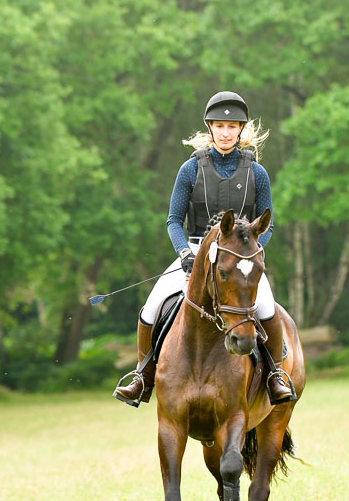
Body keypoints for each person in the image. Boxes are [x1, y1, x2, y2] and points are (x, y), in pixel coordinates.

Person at [113, 91, 294, 407]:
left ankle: (275, 375)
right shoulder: (190, 169)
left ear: (240, 129)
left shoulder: (257, 173)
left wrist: (251, 255)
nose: (226, 132)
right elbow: (173, 220)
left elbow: (269, 224)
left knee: (267, 308)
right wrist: (184, 253)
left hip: (240, 258)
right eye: (220, 126)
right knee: (151, 308)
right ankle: (142, 376)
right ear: (210, 127)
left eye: (232, 126)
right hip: (196, 251)